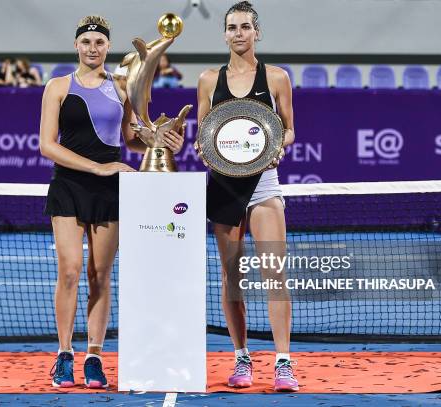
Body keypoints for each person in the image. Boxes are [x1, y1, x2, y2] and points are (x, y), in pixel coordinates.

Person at [39, 15, 184, 389]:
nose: (92, 48)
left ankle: (94, 356)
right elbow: (47, 145)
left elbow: (131, 138)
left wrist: (159, 142)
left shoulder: (120, 89)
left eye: (99, 43)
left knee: (99, 276)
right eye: (86, 41)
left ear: (107, 47)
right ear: (76, 45)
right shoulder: (57, 87)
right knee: (70, 271)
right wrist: (98, 168)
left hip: (109, 192)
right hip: (69, 187)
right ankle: (64, 354)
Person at [195, 1, 298, 392]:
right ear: (224, 34)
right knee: (232, 279)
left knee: (275, 273)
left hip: (264, 185)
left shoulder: (276, 77)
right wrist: (202, 149)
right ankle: (242, 357)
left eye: (245, 27)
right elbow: (204, 134)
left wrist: (278, 144)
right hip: (223, 186)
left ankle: (284, 363)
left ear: (257, 33)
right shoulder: (208, 79)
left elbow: (289, 129)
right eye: (232, 27)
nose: (239, 33)